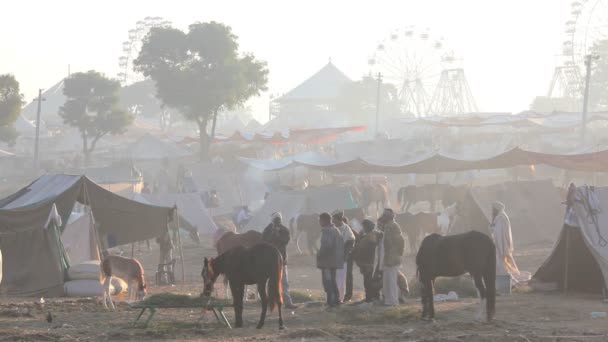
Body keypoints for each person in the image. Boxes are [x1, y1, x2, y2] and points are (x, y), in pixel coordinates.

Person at [262, 212, 297, 309]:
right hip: (269, 260)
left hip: (281, 259)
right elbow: (264, 241)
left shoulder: (284, 230)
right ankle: (270, 301)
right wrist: (272, 234)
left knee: (284, 282)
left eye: (278, 220)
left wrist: (277, 234)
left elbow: (285, 241)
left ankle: (287, 302)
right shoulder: (268, 229)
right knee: (270, 282)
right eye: (276, 220)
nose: (277, 222)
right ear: (273, 220)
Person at [375, 208, 405, 306]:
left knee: (391, 281)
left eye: (385, 216)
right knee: (387, 281)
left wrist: (398, 254)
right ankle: (388, 301)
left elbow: (401, 241)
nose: (382, 218)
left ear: (388, 217)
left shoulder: (393, 226)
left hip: (392, 258)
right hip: (387, 258)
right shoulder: (387, 226)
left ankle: (393, 301)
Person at [317, 212, 344, 307]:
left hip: (327, 262)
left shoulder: (328, 231)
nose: (319, 222)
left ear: (325, 220)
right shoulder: (335, 230)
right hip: (334, 261)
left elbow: (327, 246)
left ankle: (331, 302)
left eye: (320, 220)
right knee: (332, 281)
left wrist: (319, 255)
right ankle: (336, 300)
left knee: (328, 282)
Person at [353, 219, 383, 303]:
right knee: (368, 280)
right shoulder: (370, 235)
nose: (363, 228)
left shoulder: (370, 237)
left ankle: (369, 298)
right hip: (367, 262)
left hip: (367, 262)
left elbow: (367, 248)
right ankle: (370, 297)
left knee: (367, 281)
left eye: (364, 226)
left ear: (367, 227)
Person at [491, 201, 520, 278]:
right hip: (498, 244)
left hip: (501, 244)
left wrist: (501, 247)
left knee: (502, 262)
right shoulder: (499, 217)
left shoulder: (502, 218)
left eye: (493, 209)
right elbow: (496, 230)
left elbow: (501, 233)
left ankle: (508, 277)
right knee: (502, 262)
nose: (492, 211)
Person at [332, 210, 355, 303]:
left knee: (339, 280)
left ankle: (336, 299)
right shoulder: (335, 228)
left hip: (342, 259)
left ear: (339, 220)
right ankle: (339, 299)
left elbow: (350, 242)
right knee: (338, 280)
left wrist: (344, 254)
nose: (333, 222)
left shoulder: (347, 230)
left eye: (334, 220)